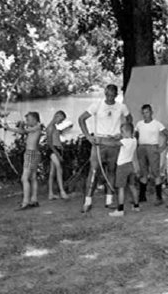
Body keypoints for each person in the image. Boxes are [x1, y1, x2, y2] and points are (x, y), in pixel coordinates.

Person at [78, 84, 131, 213]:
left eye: (112, 95)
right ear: (105, 93)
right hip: (99, 142)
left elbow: (129, 120)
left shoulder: (121, 107)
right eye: (108, 95)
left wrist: (123, 134)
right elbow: (81, 119)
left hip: (114, 143)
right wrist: (88, 136)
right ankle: (87, 201)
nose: (110, 97)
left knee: (112, 171)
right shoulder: (97, 105)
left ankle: (109, 200)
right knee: (93, 171)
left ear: (116, 95)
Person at [4, 111, 44, 210]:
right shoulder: (34, 128)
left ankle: (25, 202)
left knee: (24, 178)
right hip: (33, 153)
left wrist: (22, 125)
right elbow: (22, 131)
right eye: (27, 120)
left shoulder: (37, 127)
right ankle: (34, 200)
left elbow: (25, 131)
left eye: (28, 119)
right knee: (33, 177)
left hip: (31, 153)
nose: (27, 121)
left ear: (35, 119)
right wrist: (9, 128)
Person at [100, 123, 141, 217]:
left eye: (122, 132)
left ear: (127, 132)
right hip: (130, 165)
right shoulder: (134, 140)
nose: (121, 134)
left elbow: (114, 144)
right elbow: (120, 139)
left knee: (121, 188)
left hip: (122, 167)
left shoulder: (125, 141)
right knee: (132, 186)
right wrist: (115, 137)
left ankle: (120, 210)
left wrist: (101, 141)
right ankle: (136, 206)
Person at [135, 104, 168, 206]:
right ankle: (142, 196)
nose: (145, 115)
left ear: (151, 112)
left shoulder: (157, 124)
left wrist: (163, 147)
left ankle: (159, 197)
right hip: (141, 148)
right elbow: (136, 135)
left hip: (152, 148)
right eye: (143, 113)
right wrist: (136, 145)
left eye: (147, 112)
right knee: (143, 172)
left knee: (155, 172)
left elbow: (167, 134)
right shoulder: (139, 124)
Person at [46, 110, 69, 201]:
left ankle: (50, 193)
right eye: (61, 119)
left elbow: (56, 139)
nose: (61, 122)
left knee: (52, 172)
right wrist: (57, 154)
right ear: (56, 116)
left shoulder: (54, 127)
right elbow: (50, 143)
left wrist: (60, 147)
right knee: (59, 168)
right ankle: (62, 191)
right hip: (53, 150)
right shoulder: (50, 127)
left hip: (57, 149)